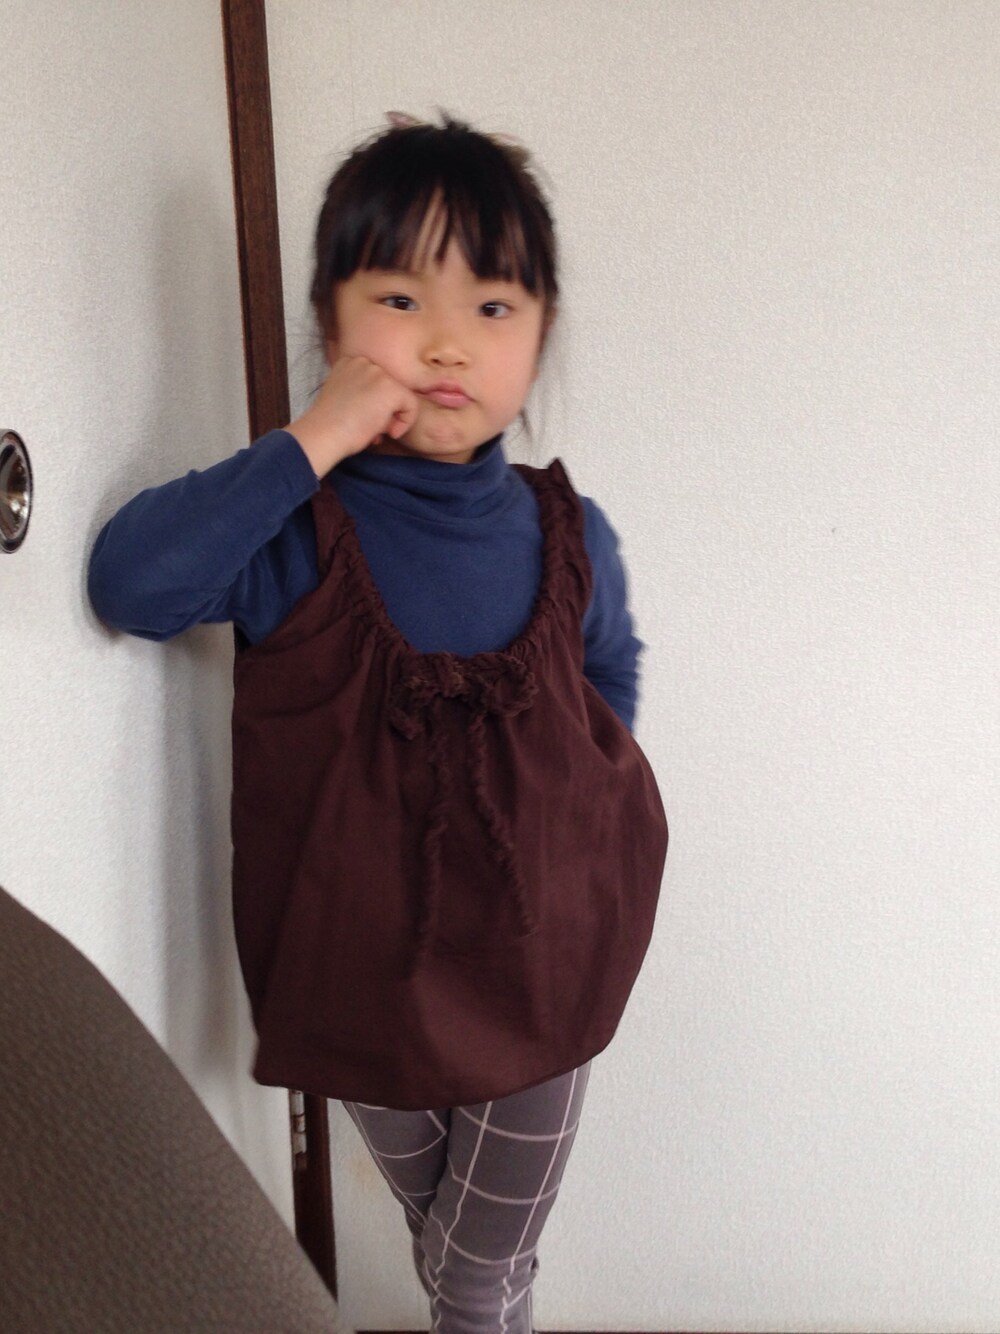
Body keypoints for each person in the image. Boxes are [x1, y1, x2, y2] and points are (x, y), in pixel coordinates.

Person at [89, 113, 667, 1334]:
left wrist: (570, 818)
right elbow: (132, 585)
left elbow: (607, 668)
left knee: (471, 1276)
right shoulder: (292, 532)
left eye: (492, 306)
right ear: (331, 318)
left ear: (539, 332)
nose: (446, 341)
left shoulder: (565, 530)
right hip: (358, 979)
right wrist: (312, 439)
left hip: (540, 962)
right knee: (460, 1257)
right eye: (400, 299)